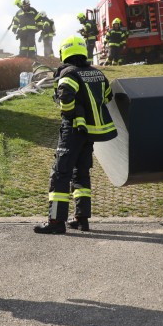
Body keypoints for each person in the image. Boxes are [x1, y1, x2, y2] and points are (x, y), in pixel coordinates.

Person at [34, 35, 118, 234]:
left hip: (72, 130)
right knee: (81, 174)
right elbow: (108, 96)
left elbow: (65, 98)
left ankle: (55, 222)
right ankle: (81, 220)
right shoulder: (97, 74)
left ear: (65, 53)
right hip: (89, 133)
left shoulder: (68, 74)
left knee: (60, 173)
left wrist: (72, 114)